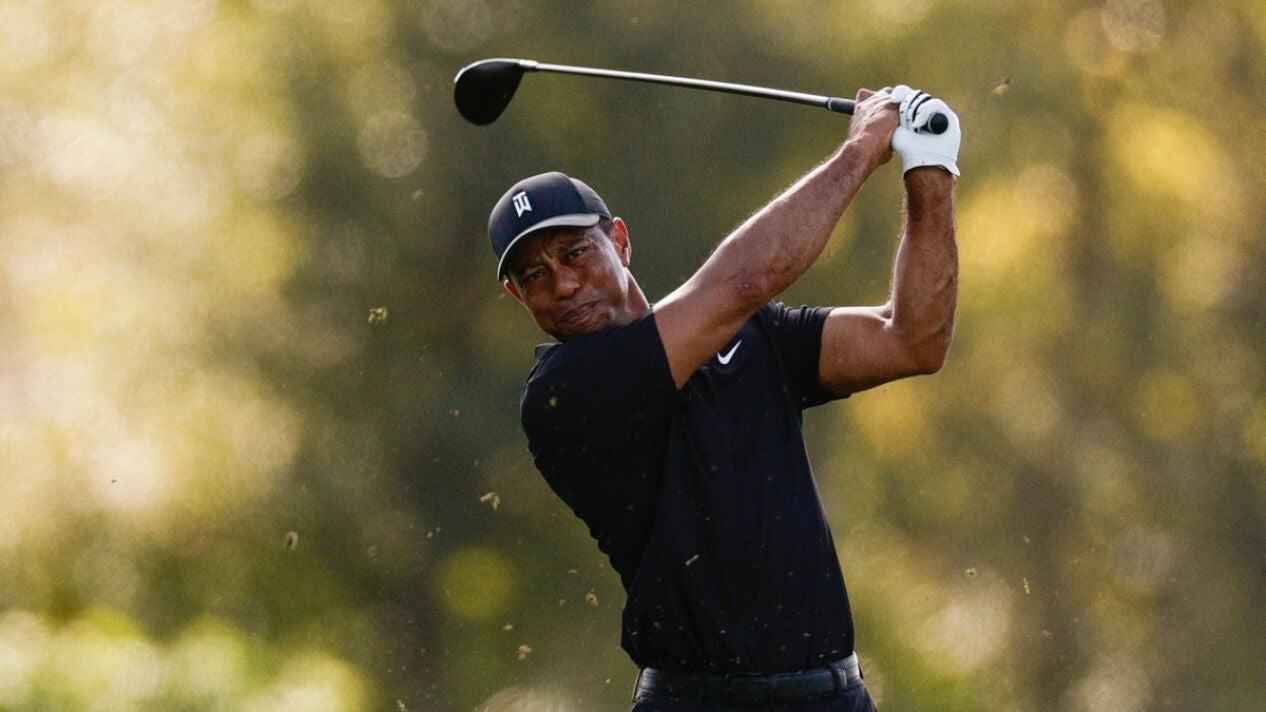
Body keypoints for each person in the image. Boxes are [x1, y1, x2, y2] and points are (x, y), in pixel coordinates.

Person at [486, 85, 960, 711]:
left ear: (620, 241)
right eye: (534, 276)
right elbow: (747, 279)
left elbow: (913, 340)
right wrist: (864, 148)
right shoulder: (562, 394)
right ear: (519, 296)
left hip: (832, 696)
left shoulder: (751, 334)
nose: (564, 284)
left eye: (575, 253)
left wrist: (930, 169)